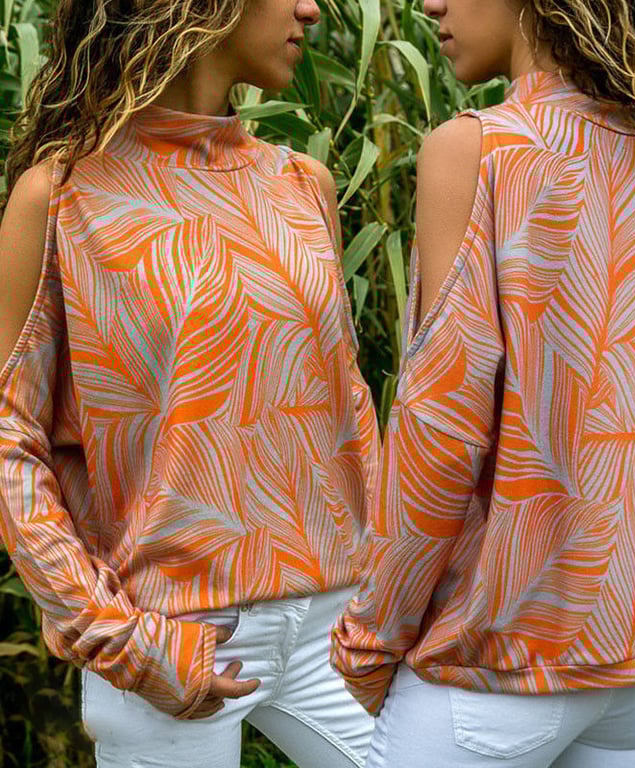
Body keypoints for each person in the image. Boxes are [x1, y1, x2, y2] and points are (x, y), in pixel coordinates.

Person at [331, 0, 635, 765]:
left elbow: (442, 429)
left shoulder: (477, 150)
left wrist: (371, 639)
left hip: (495, 671)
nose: (430, 5)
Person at [0, 1, 379, 766]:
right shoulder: (62, 196)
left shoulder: (302, 184)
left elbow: (346, 406)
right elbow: (11, 441)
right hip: (170, 631)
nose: (311, 8)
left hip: (340, 622)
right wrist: (117, 637)